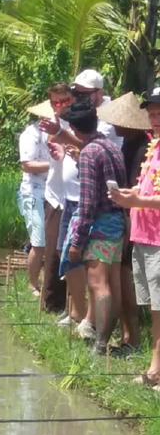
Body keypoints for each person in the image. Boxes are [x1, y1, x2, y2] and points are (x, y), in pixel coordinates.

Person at [58, 98, 127, 356]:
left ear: (75, 129)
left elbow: (87, 203)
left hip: (99, 225)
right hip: (118, 222)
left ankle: (100, 344)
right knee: (113, 283)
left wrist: (76, 242)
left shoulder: (89, 153)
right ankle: (105, 338)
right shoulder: (112, 147)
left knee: (98, 284)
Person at [111, 88, 160, 382]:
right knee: (155, 309)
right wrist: (132, 194)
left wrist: (137, 202)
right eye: (152, 114)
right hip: (144, 236)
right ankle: (155, 369)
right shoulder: (153, 147)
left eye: (159, 113)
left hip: (158, 241)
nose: (155, 119)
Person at [97, 91, 150, 352]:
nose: (115, 126)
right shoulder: (130, 145)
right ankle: (129, 336)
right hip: (131, 215)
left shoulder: (141, 148)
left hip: (135, 218)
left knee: (126, 278)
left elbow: (135, 187)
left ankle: (133, 337)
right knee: (125, 277)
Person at [28, 84, 71, 316]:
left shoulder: (80, 121)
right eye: (57, 102)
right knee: (53, 252)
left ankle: (72, 306)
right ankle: (52, 305)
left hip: (75, 194)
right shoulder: (49, 127)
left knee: (72, 253)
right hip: (55, 195)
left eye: (65, 100)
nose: (61, 106)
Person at [17, 114, 50, 297]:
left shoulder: (63, 132)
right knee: (39, 242)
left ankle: (47, 282)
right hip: (34, 192)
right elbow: (27, 165)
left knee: (52, 241)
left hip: (55, 193)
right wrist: (55, 164)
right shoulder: (31, 134)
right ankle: (32, 284)